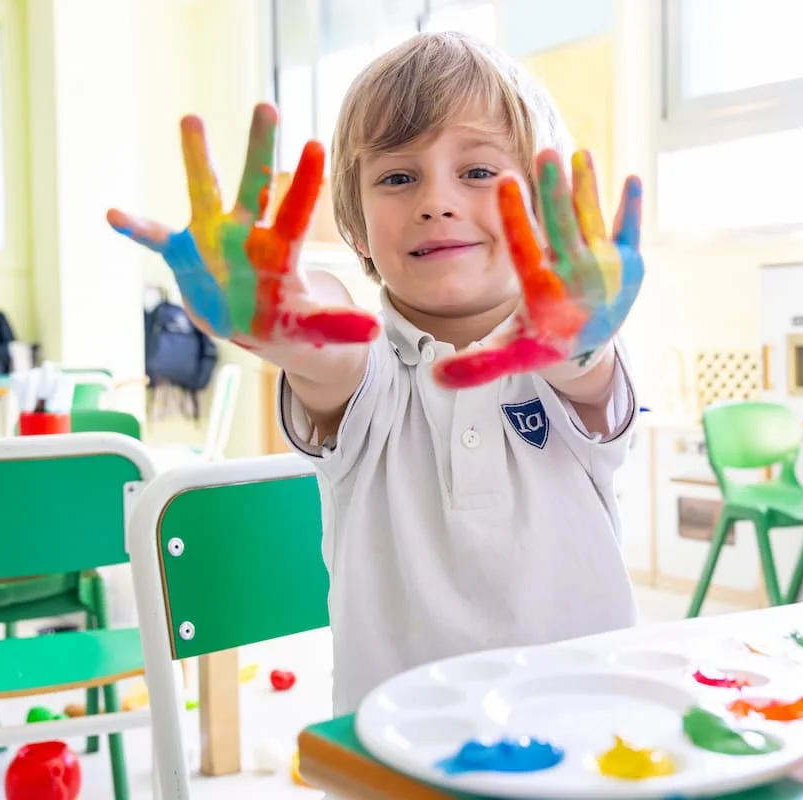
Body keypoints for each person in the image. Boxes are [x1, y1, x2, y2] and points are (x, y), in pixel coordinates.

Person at [107, 31, 646, 715]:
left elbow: (587, 376)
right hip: (393, 753)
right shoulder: (372, 373)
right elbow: (328, 345)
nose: (436, 201)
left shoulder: (568, 360)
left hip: (589, 741)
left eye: (478, 171)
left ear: (542, 212)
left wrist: (582, 344)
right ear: (357, 227)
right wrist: (284, 326)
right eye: (397, 177)